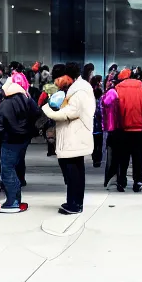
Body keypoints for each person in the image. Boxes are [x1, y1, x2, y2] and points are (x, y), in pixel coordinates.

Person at [42, 63, 96, 214]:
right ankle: (73, 202)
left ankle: (75, 204)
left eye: (60, 78)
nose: (58, 82)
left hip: (75, 136)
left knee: (74, 173)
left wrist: (47, 110)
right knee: (74, 172)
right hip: (74, 135)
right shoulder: (77, 89)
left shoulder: (79, 91)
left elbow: (70, 112)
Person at [0, 76, 39, 213]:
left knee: (7, 171)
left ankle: (12, 202)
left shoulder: (4, 105)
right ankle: (16, 199)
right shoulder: (27, 99)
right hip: (23, 140)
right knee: (14, 169)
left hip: (9, 141)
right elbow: (37, 113)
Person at [115, 69, 142, 192]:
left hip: (123, 129)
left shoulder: (118, 90)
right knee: (137, 156)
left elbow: (115, 111)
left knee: (123, 157)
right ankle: (137, 181)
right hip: (139, 129)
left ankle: (121, 181)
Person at [102, 77, 121, 188]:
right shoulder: (115, 92)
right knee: (114, 156)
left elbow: (105, 102)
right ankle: (113, 178)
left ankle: (110, 178)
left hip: (111, 127)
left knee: (111, 156)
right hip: (114, 127)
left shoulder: (112, 92)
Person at [92, 87, 104, 168]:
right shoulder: (100, 102)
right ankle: (98, 160)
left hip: (92, 128)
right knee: (99, 145)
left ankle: (94, 159)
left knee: (93, 145)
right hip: (99, 128)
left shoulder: (90, 103)